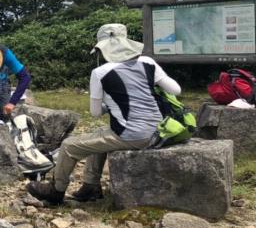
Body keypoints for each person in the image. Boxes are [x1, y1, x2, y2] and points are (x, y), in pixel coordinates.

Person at [27, 23, 181, 204]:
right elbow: (175, 90)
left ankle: (56, 191)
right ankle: (90, 186)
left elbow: (94, 112)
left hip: (134, 135)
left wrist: (110, 105)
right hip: (160, 130)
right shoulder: (148, 62)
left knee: (68, 146)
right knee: (100, 134)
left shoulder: (100, 72)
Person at [0, 42, 31, 116]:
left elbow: (25, 77)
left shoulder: (5, 53)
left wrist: (12, 102)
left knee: (4, 116)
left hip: (2, 87)